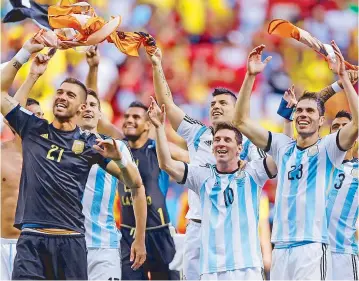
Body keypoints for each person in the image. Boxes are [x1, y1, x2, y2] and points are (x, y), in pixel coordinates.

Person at [1, 55, 145, 279]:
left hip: (70, 243)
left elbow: (134, 183)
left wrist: (119, 159)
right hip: (31, 241)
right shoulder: (33, 129)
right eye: (59, 92)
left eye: (70, 95)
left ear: (81, 107)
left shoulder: (91, 144)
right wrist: (30, 66)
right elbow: (2, 95)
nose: (62, 97)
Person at [232, 42, 358, 279]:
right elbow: (239, 122)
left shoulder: (328, 149)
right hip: (280, 247)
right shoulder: (282, 146)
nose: (303, 115)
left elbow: (357, 124)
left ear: (322, 121)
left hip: (311, 247)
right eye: (299, 110)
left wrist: (343, 78)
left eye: (310, 112)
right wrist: (250, 77)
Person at [148, 48, 267, 280]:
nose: (215, 106)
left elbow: (264, 170)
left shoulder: (251, 143)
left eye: (223, 103)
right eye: (212, 103)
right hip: (198, 226)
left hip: (234, 229)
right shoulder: (197, 133)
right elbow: (167, 104)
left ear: (237, 109)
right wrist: (156, 64)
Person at [81, 48, 147, 280]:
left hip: (104, 245)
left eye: (93, 107)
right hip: (65, 240)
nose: (87, 109)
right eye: (83, 105)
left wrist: (140, 238)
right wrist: (93, 68)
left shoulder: (115, 147)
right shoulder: (60, 142)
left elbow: (137, 188)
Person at [280, 88, 359, 280]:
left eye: (344, 126)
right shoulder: (318, 158)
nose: (340, 129)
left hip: (342, 253)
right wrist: (338, 84)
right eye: (336, 126)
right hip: (311, 249)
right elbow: (289, 148)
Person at [119, 100, 188, 280]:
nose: (129, 120)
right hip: (128, 234)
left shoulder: (158, 149)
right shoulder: (118, 149)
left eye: (136, 117)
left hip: (159, 232)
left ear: (148, 124)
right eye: (126, 116)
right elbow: (98, 121)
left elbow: (195, 161)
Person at [1, 47, 51, 280]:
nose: (39, 120)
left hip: (33, 248)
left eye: (42, 115)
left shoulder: (50, 158)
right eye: (33, 115)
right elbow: (10, 107)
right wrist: (32, 76)